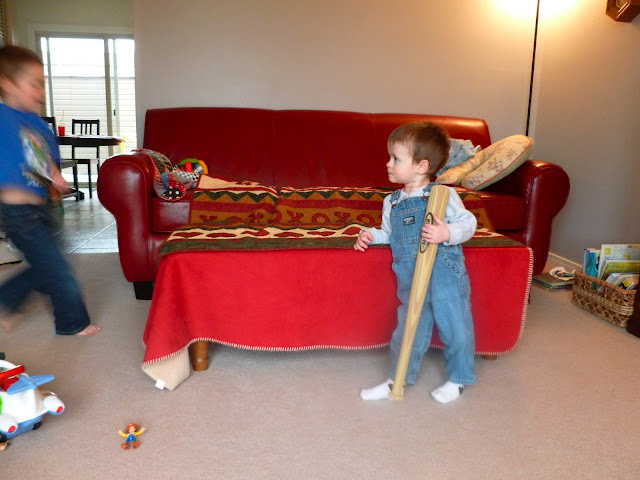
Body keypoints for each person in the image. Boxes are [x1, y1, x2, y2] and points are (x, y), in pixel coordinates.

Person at [354, 122, 476, 404]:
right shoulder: (392, 202)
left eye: (395, 159)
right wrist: (371, 235)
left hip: (444, 273)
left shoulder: (443, 195)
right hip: (410, 277)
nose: (388, 164)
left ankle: (458, 378)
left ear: (422, 166)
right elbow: (390, 234)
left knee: (456, 326)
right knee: (407, 331)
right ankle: (396, 380)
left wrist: (447, 232)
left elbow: (468, 223)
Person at [0, 45, 101, 336]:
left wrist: (56, 177)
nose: (41, 91)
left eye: (42, 84)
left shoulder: (39, 125)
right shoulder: (4, 118)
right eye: (33, 84)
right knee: (58, 270)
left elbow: (46, 161)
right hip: (16, 211)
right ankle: (73, 322)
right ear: (7, 84)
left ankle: (6, 298)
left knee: (47, 263)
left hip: (43, 207)